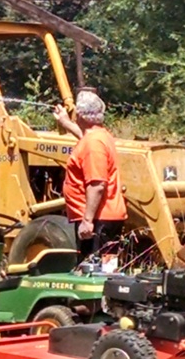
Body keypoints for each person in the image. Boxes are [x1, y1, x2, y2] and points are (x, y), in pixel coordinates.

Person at [53, 90, 127, 261]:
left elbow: (97, 184)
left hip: (98, 220)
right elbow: (84, 137)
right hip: (103, 217)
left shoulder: (93, 144)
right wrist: (66, 122)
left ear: (81, 116)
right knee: (103, 269)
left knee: (94, 272)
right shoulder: (99, 136)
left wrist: (87, 221)